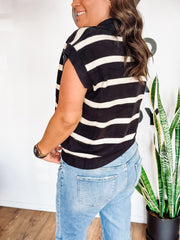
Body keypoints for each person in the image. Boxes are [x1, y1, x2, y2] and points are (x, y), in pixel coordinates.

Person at [33, 0, 151, 239]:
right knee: (118, 234)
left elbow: (67, 117)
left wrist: (42, 149)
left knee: (69, 236)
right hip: (128, 161)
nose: (74, 3)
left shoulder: (85, 40)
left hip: (89, 171)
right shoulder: (132, 41)